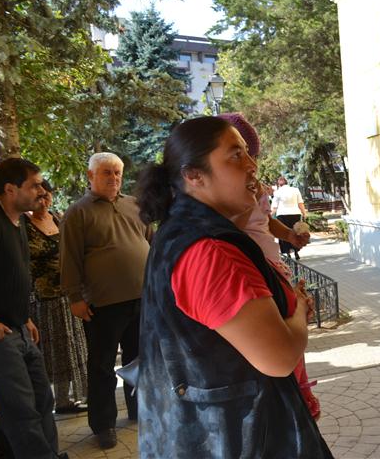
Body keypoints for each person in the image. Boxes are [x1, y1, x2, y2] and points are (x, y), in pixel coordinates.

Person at [136, 116, 332, 458]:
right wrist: (298, 311)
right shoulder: (211, 252)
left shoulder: (181, 230)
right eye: (236, 155)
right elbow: (280, 358)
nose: (252, 166)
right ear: (193, 175)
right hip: (239, 437)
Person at [219, 112, 319, 419]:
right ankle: (287, 401)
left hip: (274, 264)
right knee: (280, 339)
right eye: (241, 155)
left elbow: (266, 220)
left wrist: (290, 235)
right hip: (254, 269)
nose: (251, 163)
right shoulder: (225, 194)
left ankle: (297, 396)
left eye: (253, 155)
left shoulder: (255, 184)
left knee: (293, 327)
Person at [60, 152, 152, 450]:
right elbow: (70, 258)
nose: (113, 178)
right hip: (103, 304)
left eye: (117, 172)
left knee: (140, 361)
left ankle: (141, 411)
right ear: (90, 176)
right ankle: (103, 425)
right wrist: (75, 297)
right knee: (101, 366)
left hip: (142, 298)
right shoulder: (78, 212)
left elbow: (149, 242)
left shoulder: (133, 205)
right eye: (106, 173)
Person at [0, 158, 66, 458]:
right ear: (10, 189)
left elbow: (13, 275)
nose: (41, 190)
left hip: (21, 329)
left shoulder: (18, 220)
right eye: (33, 185)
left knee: (43, 403)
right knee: (21, 416)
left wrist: (26, 318)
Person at [26, 180, 88, 414]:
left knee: (73, 349)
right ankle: (55, 400)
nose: (43, 199)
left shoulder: (58, 218)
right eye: (39, 195)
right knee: (53, 352)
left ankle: (70, 397)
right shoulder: (24, 224)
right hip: (44, 299)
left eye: (47, 194)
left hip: (68, 295)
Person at [271, 176, 307, 260]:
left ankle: (287, 253)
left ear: (279, 184)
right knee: (295, 233)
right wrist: (304, 213)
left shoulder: (277, 192)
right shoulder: (295, 190)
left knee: (284, 233)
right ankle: (296, 251)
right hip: (295, 214)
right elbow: (300, 203)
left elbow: (274, 207)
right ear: (287, 182)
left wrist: (267, 215)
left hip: (282, 215)